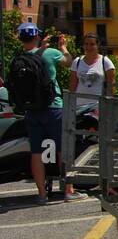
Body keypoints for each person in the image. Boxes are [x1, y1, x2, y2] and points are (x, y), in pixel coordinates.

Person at [8, 23, 78, 203]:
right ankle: (69, 191)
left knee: (36, 153)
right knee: (64, 149)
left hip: (31, 111)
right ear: (37, 36)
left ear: (20, 38)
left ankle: (41, 194)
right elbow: (68, 62)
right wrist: (63, 47)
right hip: (53, 107)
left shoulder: (17, 59)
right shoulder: (50, 53)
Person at [69, 33, 115, 125]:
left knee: (95, 136)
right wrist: (70, 105)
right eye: (86, 44)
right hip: (79, 107)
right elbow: (73, 85)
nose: (88, 47)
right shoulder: (77, 62)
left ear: (97, 46)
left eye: (92, 44)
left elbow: (111, 87)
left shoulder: (105, 62)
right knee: (79, 136)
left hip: (97, 107)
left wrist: (108, 105)